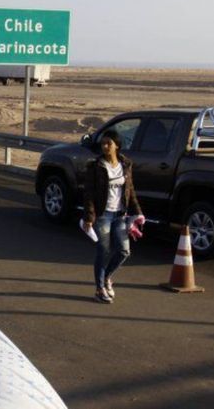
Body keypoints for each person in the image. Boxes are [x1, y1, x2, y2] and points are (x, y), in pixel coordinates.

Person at [83, 129, 143, 304]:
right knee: (104, 251)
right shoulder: (95, 167)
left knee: (124, 251)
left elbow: (130, 191)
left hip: (120, 215)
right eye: (103, 143)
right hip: (103, 215)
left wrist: (138, 212)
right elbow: (88, 194)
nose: (105, 146)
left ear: (117, 145)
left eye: (109, 143)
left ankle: (107, 276)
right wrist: (89, 217)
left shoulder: (125, 165)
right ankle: (99, 288)